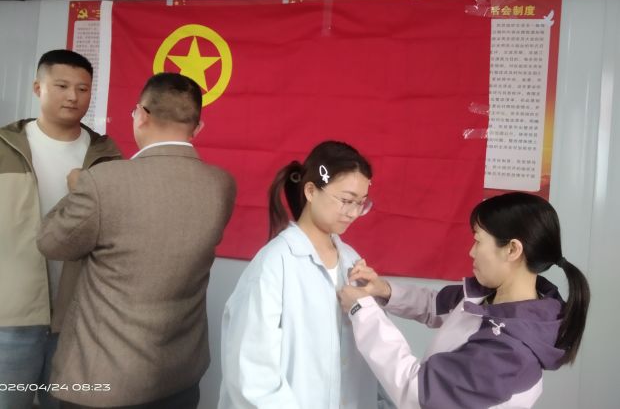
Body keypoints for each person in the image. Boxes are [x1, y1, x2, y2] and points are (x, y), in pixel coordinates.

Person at [37, 72, 236, 409]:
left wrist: (76, 189)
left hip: (104, 379)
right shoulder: (221, 184)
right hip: (180, 374)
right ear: (197, 128)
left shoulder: (103, 181)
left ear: (141, 115)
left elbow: (51, 243)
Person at [338, 192, 590, 409]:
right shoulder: (496, 298)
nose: (471, 251)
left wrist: (361, 310)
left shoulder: (510, 353)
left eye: (478, 241)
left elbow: (417, 390)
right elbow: (435, 305)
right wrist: (383, 290)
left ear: (512, 249)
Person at [218, 140, 394, 409]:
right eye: (346, 200)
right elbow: (251, 373)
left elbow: (374, 352)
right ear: (311, 191)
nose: (353, 213)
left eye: (361, 203)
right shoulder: (275, 263)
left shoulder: (352, 262)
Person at [0, 49, 121, 409]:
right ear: (38, 88)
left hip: (78, 318)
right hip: (11, 315)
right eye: (62, 86)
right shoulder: (5, 147)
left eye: (83, 89)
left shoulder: (106, 156)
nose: (73, 96)